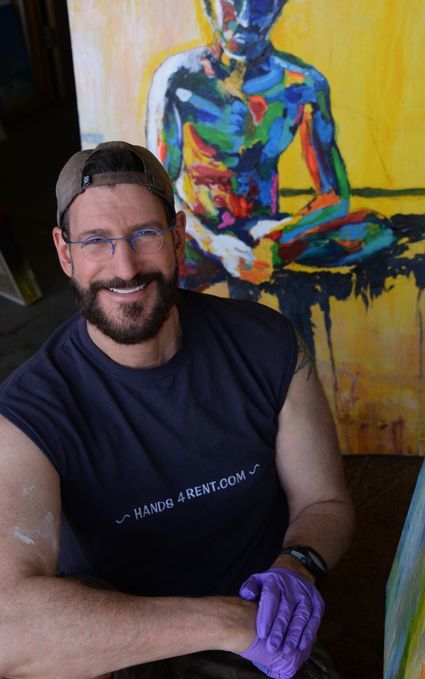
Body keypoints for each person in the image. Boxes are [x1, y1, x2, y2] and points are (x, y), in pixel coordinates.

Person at [0, 141, 354, 678]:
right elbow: (9, 628)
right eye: (96, 241)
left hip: (259, 638)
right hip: (113, 645)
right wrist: (226, 623)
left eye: (145, 234)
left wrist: (296, 568)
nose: (125, 267)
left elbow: (324, 500)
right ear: (65, 253)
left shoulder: (267, 345)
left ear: (178, 236)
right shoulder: (29, 411)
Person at [146, 0, 394, 286]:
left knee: (375, 231)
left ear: (279, 6)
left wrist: (279, 237)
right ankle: (238, 260)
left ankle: (266, 257)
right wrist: (216, 244)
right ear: (207, 4)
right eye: (232, 1)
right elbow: (160, 190)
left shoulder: (303, 85)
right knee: (158, 256)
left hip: (268, 232)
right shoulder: (177, 78)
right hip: (199, 236)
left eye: (261, 3)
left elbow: (334, 196)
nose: (245, 18)